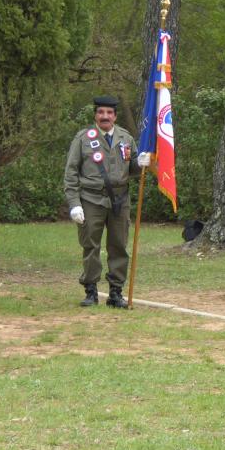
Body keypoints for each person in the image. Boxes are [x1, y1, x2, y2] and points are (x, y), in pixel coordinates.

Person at [63, 95, 151, 308]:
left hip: (120, 200)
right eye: (101, 112)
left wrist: (142, 163)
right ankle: (91, 290)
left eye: (109, 113)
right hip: (91, 199)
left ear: (115, 116)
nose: (105, 116)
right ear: (95, 114)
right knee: (90, 245)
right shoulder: (84, 138)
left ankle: (115, 292)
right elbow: (71, 172)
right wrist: (74, 203)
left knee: (119, 245)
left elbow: (132, 170)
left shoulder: (126, 138)